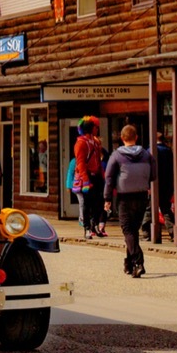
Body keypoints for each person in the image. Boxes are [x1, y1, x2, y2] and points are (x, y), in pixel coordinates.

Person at [103, 125, 156, 278]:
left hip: (124, 197)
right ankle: (129, 263)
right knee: (133, 231)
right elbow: (154, 175)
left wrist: (107, 198)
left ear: (122, 138)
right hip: (141, 196)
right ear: (136, 137)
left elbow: (109, 178)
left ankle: (138, 262)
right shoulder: (146, 155)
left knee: (127, 230)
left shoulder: (116, 156)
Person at [73, 116, 107, 239]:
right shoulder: (81, 143)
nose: (97, 129)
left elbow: (98, 161)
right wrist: (86, 180)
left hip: (97, 176)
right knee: (87, 204)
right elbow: (80, 163)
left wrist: (102, 175)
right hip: (87, 176)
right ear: (90, 128)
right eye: (96, 127)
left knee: (99, 203)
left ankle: (95, 225)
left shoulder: (96, 142)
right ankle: (87, 228)